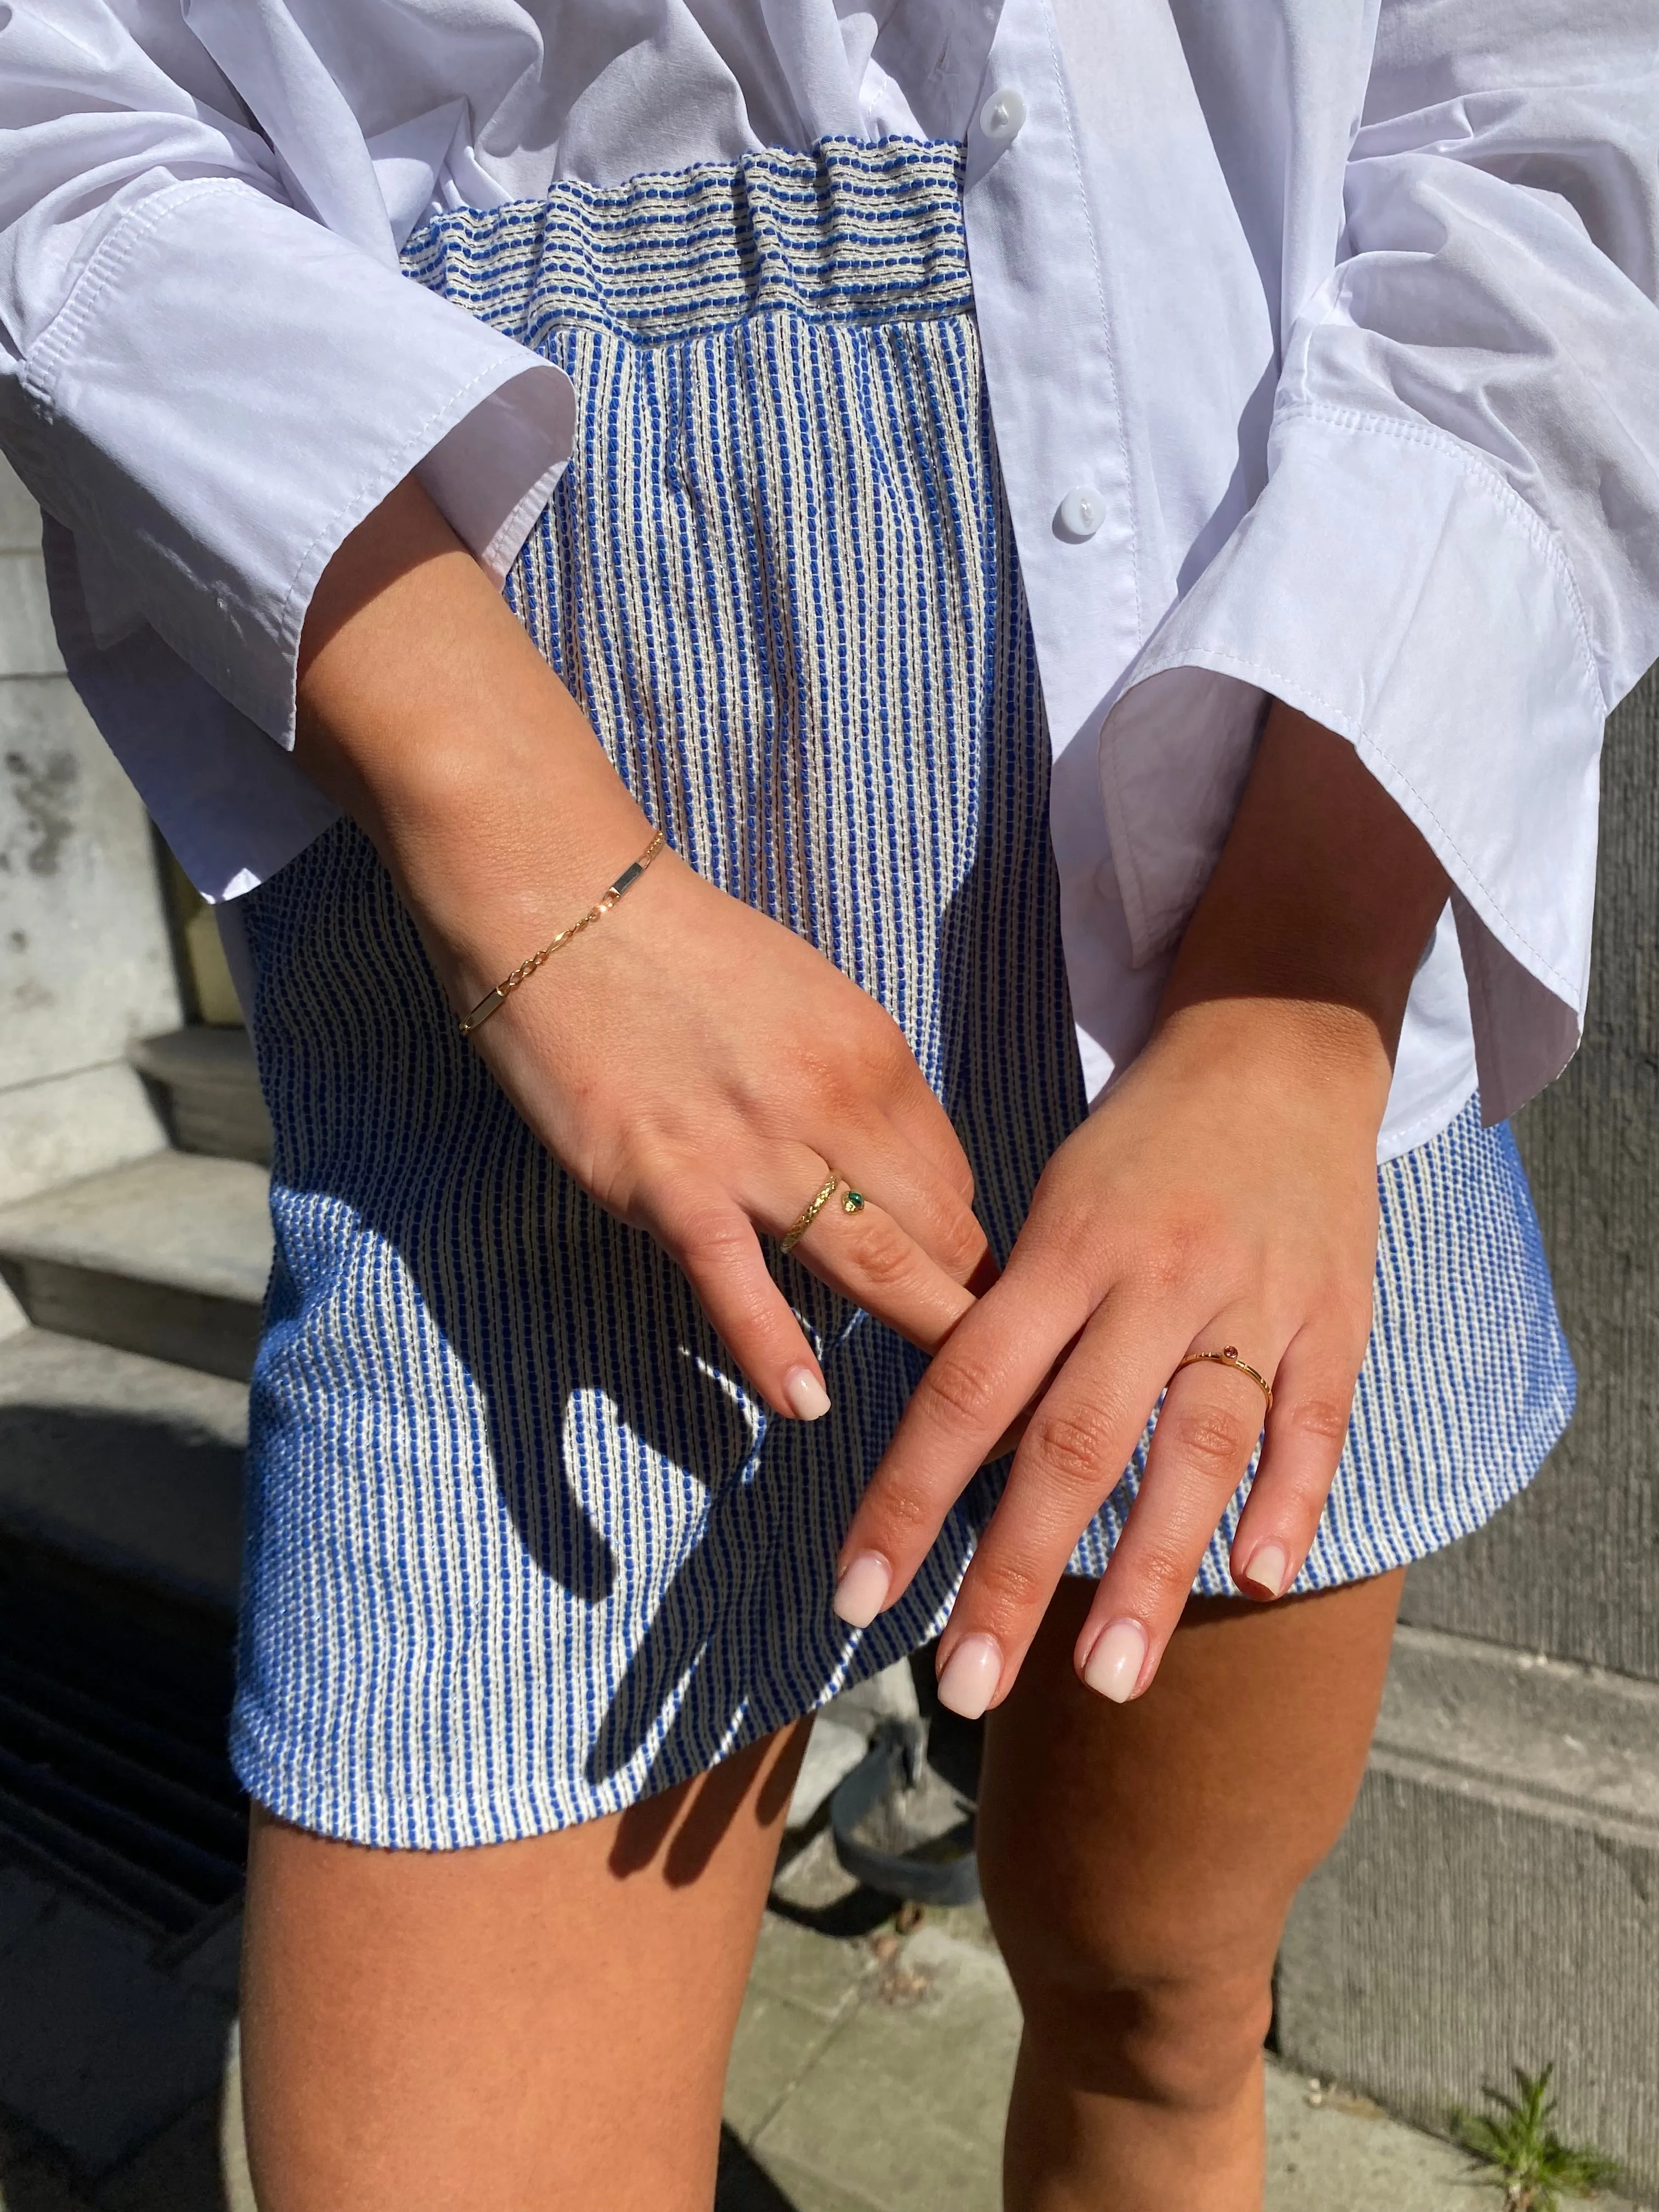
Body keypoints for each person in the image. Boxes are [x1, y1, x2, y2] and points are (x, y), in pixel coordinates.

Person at [3, 5, 1656, 2207]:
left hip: (1252, 776)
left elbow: (1559, 97)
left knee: (1162, 2012)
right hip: (492, 824)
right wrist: (542, 879)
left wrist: (1292, 984)